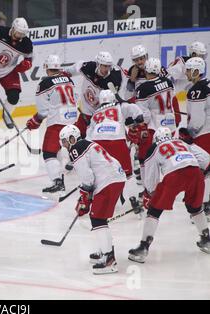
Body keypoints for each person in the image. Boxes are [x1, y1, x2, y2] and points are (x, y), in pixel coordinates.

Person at [128, 127, 210, 263]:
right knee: (195, 207)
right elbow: (206, 159)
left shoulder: (154, 147)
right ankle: (207, 240)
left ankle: (143, 247)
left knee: (154, 211)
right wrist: (200, 172)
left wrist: (150, 193)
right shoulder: (183, 142)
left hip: (174, 175)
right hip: (195, 172)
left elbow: (150, 176)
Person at [60, 125, 126, 274]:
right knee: (99, 218)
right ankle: (105, 251)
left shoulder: (76, 148)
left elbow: (87, 176)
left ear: (73, 138)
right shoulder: (87, 143)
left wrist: (85, 195)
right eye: (63, 142)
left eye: (66, 141)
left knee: (97, 218)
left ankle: (109, 260)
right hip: (114, 177)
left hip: (108, 180)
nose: (65, 145)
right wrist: (87, 195)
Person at [26, 54, 78, 196]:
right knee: (64, 148)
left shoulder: (44, 84)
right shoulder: (68, 79)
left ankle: (57, 181)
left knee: (49, 152)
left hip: (58, 122)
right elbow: (76, 98)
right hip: (73, 120)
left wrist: (34, 121)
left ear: (47, 68)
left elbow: (43, 111)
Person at [129, 58, 177, 189]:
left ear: (146, 70)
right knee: (169, 155)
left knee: (146, 158)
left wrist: (135, 121)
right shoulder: (168, 82)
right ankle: (172, 184)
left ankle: (148, 189)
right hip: (170, 126)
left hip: (155, 129)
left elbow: (145, 116)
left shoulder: (143, 88)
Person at [63, 51, 126, 138]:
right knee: (78, 138)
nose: (107, 69)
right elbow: (74, 68)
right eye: (104, 66)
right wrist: (63, 74)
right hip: (86, 112)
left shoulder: (114, 78)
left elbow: (115, 100)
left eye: (108, 66)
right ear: (98, 64)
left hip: (102, 114)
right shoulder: (89, 67)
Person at [88, 90, 144, 179]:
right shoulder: (120, 106)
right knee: (125, 174)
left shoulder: (95, 113)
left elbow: (89, 134)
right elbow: (134, 109)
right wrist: (139, 118)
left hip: (98, 142)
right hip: (116, 139)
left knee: (104, 174)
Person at [179, 57, 210, 216]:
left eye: (190, 70)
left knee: (202, 170)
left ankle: (203, 204)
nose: (187, 73)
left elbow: (197, 119)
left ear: (197, 71)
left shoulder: (197, 89)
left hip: (204, 134)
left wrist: (188, 133)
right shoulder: (207, 84)